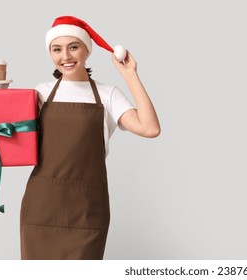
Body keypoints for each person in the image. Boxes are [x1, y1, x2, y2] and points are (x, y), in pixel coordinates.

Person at [19, 15, 160, 260]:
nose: (66, 56)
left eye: (73, 47)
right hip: (40, 207)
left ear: (86, 50)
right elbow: (3, 136)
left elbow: (149, 128)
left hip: (87, 208)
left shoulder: (108, 95)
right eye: (57, 49)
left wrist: (130, 74)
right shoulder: (40, 94)